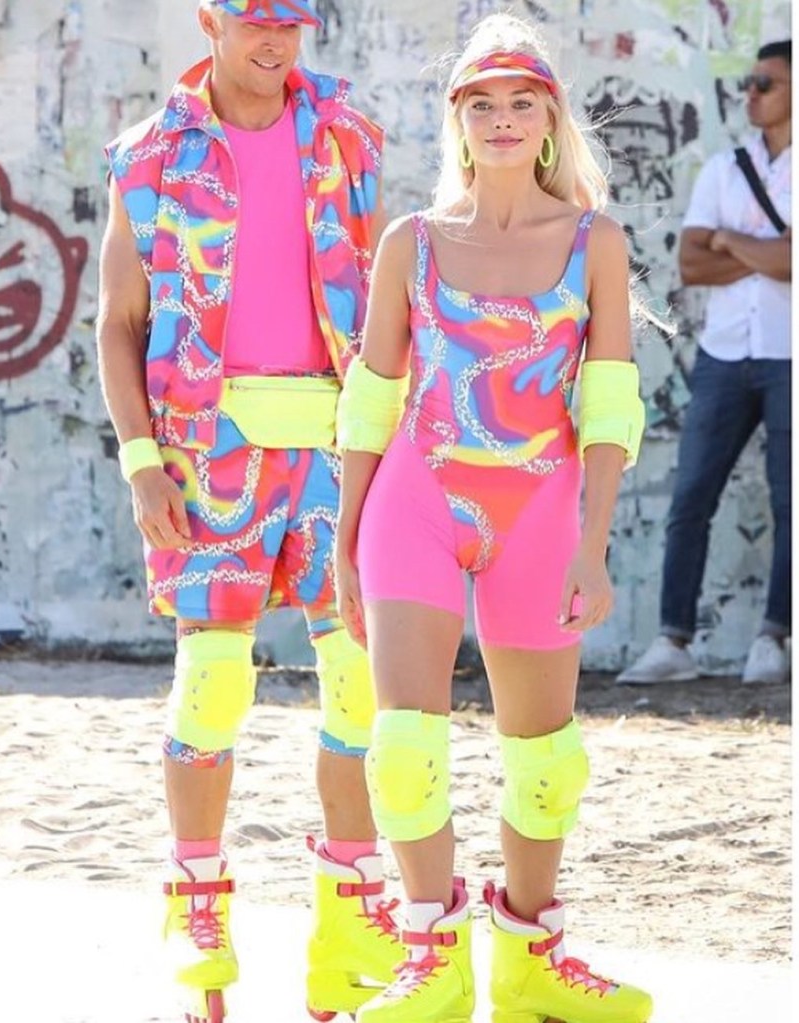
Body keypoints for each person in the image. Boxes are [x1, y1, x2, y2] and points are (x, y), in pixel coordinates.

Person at [334, 12, 652, 1023]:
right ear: (457, 120)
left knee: (546, 758)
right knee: (403, 746)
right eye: (482, 104)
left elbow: (608, 402)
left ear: (550, 119)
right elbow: (372, 399)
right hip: (415, 504)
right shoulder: (411, 242)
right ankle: (432, 958)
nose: (502, 119)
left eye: (521, 102)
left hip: (541, 509)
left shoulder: (596, 242)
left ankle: (528, 959)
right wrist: (344, 542)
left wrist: (593, 546)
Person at [97, 3, 402, 1021]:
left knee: (359, 679)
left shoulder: (349, 139)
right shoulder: (150, 156)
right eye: (253, 18)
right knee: (213, 681)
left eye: (291, 21)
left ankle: (349, 922)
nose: (274, 39)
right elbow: (119, 322)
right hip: (205, 450)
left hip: (332, 446)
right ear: (210, 20)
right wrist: (141, 461)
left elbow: (383, 305)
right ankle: (197, 911)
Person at [618, 41, 791, 687]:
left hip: (788, 355)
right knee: (691, 497)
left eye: (765, 84)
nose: (750, 94)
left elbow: (790, 264)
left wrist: (729, 240)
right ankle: (673, 640)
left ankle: (773, 637)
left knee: (790, 501)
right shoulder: (725, 168)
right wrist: (763, 249)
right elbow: (691, 263)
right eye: (749, 82)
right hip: (723, 354)